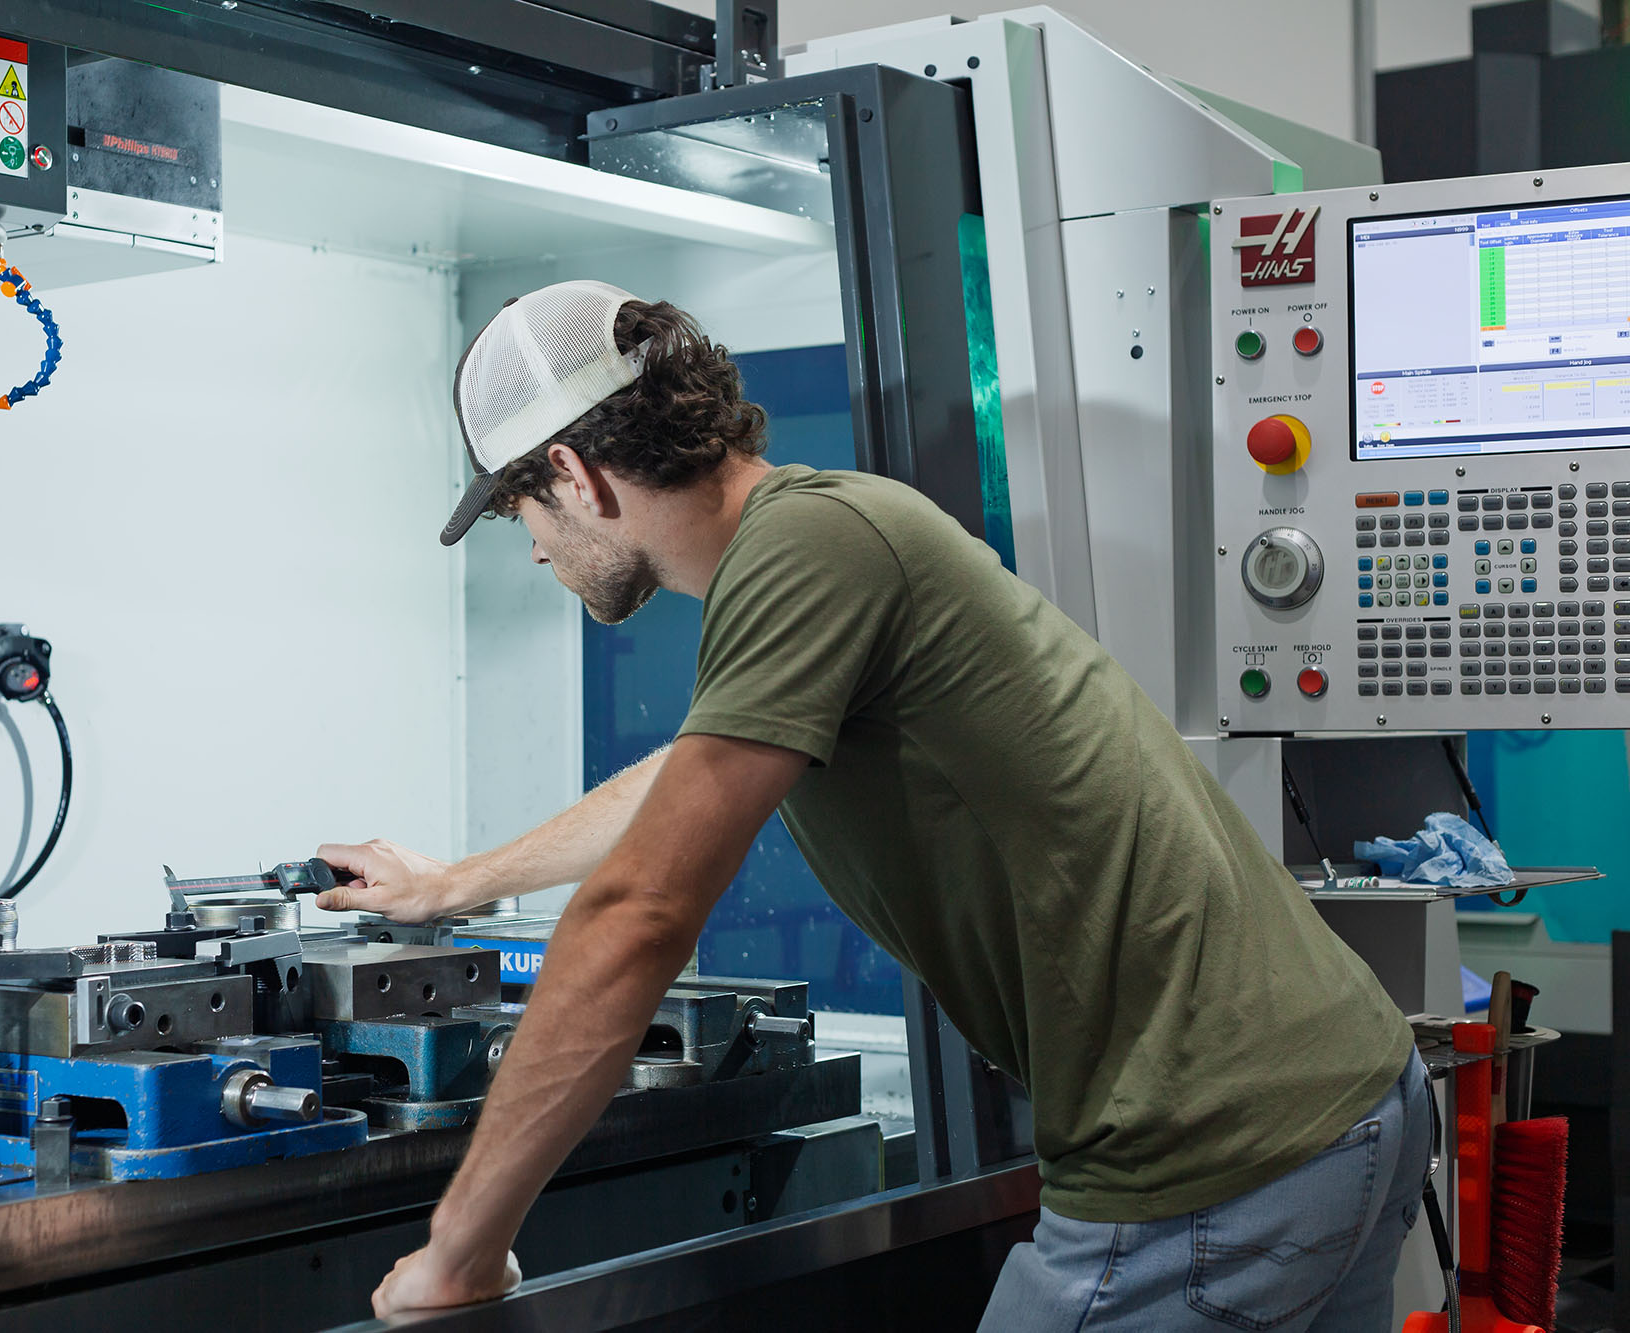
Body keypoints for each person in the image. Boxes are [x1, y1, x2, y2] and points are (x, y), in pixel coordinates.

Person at [316, 280, 1429, 1330]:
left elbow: (636, 915)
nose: (539, 547)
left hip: (1213, 1157)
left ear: (576, 474)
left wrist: (461, 1249)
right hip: (1328, 1098)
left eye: (522, 512)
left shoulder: (803, 551)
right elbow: (678, 787)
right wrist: (455, 883)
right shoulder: (817, 536)